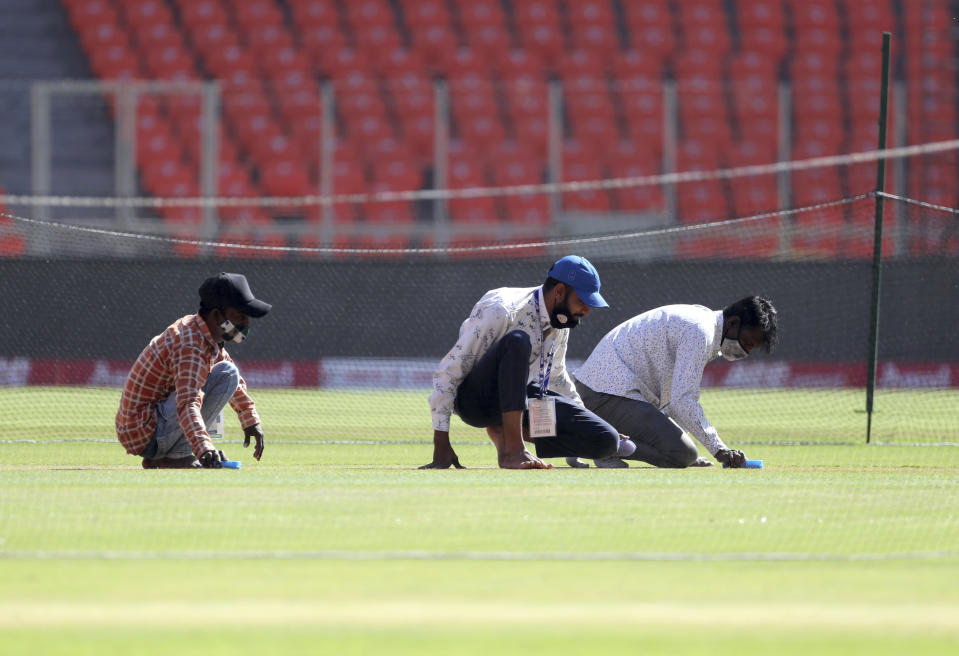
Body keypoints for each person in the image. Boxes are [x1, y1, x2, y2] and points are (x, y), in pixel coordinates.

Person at [422, 255, 635, 470]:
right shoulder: (502, 310)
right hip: (476, 402)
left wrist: (587, 418)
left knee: (606, 439)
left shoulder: (561, 321)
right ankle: (513, 450)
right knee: (518, 341)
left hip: (520, 398)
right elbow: (450, 370)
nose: (587, 310)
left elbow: (557, 376)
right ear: (559, 292)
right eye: (582, 301)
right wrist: (441, 442)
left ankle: (504, 431)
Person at [569, 296, 778, 469]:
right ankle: (600, 445)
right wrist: (719, 448)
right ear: (733, 323)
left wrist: (680, 435)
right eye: (747, 343)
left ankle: (596, 438)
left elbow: (671, 398)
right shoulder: (700, 332)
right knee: (681, 454)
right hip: (604, 395)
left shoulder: (702, 322)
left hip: (603, 392)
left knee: (684, 450)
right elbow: (682, 400)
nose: (745, 352)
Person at [115, 272, 271, 469]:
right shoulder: (191, 346)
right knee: (227, 373)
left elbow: (235, 384)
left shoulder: (203, 334)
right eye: (239, 316)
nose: (246, 324)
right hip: (146, 434)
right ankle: (174, 456)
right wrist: (204, 449)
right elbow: (187, 402)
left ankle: (168, 455)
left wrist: (250, 420)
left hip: (146, 430)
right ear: (216, 316)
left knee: (228, 372)